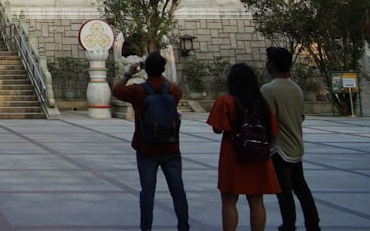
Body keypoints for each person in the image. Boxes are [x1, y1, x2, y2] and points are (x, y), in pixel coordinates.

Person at [112, 51, 190, 231]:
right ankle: (184, 226)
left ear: (146, 70)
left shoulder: (138, 91)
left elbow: (116, 90)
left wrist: (129, 73)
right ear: (163, 69)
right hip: (171, 148)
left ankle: (146, 227)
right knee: (178, 191)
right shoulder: (172, 90)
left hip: (146, 148)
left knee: (147, 192)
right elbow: (178, 90)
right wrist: (161, 77)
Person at [207, 63, 281, 231]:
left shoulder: (225, 100)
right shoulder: (262, 103)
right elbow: (274, 131)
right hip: (258, 156)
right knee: (256, 202)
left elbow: (217, 129)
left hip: (233, 155)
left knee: (229, 200)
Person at [261, 47, 321, 231]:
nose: (267, 63)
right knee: (301, 188)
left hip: (279, 147)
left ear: (273, 64)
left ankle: (288, 225)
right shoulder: (296, 88)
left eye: (268, 60)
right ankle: (313, 223)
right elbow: (301, 116)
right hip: (296, 145)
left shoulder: (268, 90)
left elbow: (267, 120)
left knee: (284, 192)